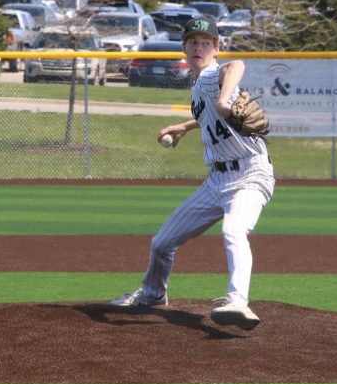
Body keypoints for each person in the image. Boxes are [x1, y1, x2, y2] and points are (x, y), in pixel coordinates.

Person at [110, 17, 275, 330]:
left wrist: (226, 99)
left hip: (250, 175)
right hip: (216, 182)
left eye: (206, 43)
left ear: (215, 49)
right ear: (184, 47)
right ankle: (153, 294)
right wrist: (186, 126)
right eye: (193, 42)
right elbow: (211, 114)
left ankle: (238, 300)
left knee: (233, 231)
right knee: (161, 243)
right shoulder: (199, 87)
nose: (199, 48)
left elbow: (236, 65)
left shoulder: (215, 73)